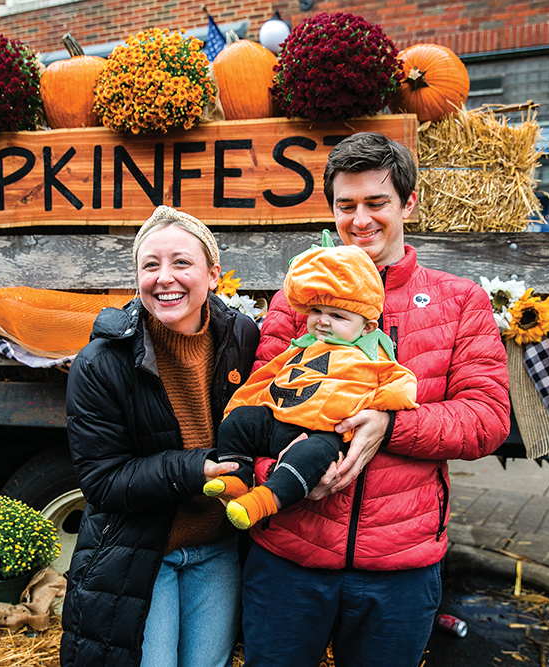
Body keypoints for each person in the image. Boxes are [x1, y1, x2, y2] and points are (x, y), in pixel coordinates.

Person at [240, 132, 510, 667]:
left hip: (399, 571)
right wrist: (287, 474)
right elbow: (260, 402)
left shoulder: (460, 301)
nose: (360, 219)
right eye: (347, 205)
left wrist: (391, 423)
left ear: (408, 203)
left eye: (376, 203)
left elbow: (487, 418)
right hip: (291, 558)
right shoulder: (298, 299)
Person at [61, 205, 260, 667]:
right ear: (137, 278)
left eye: (181, 262)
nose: (164, 277)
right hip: (143, 548)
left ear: (213, 274)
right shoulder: (101, 361)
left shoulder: (242, 338)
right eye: (150, 265)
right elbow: (104, 481)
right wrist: (196, 468)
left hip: (217, 547)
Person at [203, 237, 418, 530]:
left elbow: (402, 384)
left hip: (324, 433)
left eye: (337, 316)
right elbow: (265, 376)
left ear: (367, 326)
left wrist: (378, 410)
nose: (323, 322)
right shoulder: (300, 347)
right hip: (278, 420)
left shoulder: (370, 355)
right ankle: (236, 478)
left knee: (311, 456)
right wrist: (240, 405)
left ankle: (263, 502)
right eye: (316, 311)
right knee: (240, 422)